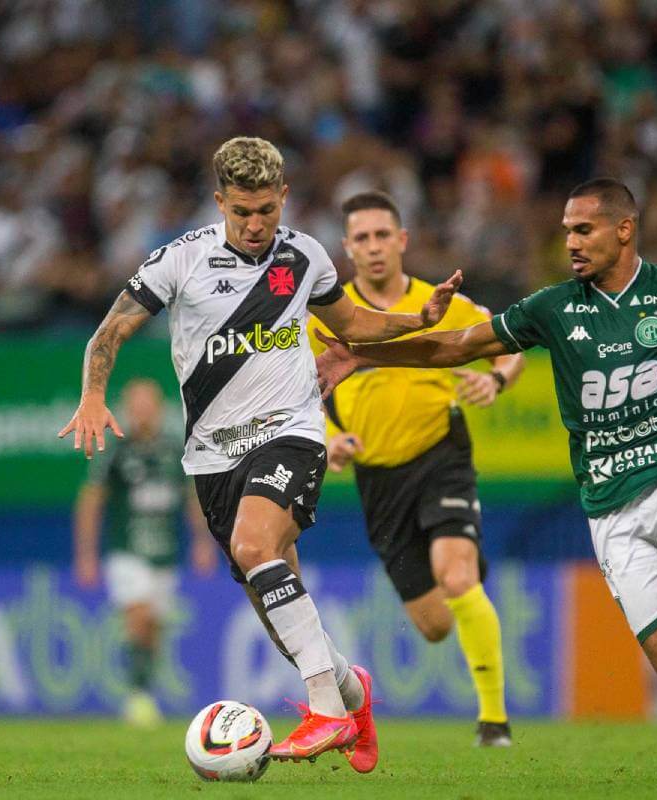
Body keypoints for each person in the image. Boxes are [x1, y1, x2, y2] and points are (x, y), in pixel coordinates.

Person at [316, 178, 657, 787]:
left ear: (623, 229)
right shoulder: (552, 307)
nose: (571, 243)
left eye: (583, 230)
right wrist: (367, 355)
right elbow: (457, 346)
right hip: (610, 506)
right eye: (565, 232)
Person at [58, 137, 463, 769]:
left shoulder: (305, 256)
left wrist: (420, 319)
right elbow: (111, 329)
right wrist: (91, 395)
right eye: (242, 211)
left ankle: (327, 713)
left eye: (266, 211)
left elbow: (352, 326)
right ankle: (354, 694)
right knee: (280, 617)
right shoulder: (180, 260)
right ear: (220, 201)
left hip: (292, 431)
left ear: (284, 200)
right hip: (212, 460)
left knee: (254, 548)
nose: (254, 225)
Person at [307, 191, 526, 746]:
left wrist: (496, 379)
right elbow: (301, 394)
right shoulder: (326, 319)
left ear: (402, 241)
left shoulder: (443, 301)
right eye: (363, 238)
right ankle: (468, 578)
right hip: (377, 479)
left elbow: (511, 344)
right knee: (434, 625)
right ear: (347, 249)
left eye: (384, 235)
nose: (375, 247)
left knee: (456, 576)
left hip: (440, 455)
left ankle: (494, 721)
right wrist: (330, 439)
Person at [72, 377, 219, 726]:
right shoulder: (116, 452)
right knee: (137, 614)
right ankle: (138, 697)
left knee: (152, 624)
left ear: (159, 409)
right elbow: (91, 501)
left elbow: (192, 499)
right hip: (127, 550)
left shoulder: (174, 450)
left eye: (147, 406)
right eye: (135, 407)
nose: (141, 414)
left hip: (166, 552)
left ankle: (143, 688)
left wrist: (202, 542)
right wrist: (86, 554)